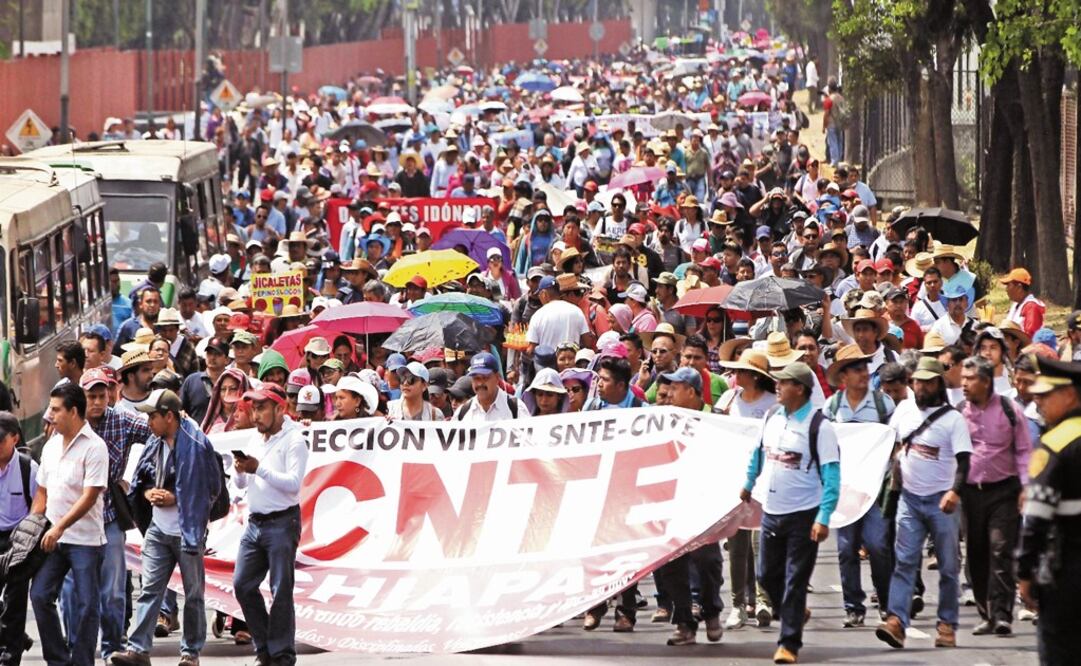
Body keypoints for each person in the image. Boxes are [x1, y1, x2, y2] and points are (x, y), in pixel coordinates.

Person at [111, 389, 222, 666]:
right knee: (150, 590)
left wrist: (176, 498)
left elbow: (211, 489)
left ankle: (191, 653)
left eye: (152, 416)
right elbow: (143, 478)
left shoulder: (197, 443)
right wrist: (148, 494)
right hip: (159, 530)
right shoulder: (154, 442)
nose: (148, 422)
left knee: (193, 594)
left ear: (169, 416)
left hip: (188, 531)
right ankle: (138, 650)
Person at [740, 362, 839, 665]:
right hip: (772, 511)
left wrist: (823, 517)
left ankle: (788, 644)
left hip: (803, 514)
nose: (777, 388)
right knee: (766, 575)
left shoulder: (819, 427)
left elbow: (832, 476)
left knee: (795, 579)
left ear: (800, 388)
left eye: (783, 383)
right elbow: (758, 454)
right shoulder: (772, 417)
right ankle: (795, 610)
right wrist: (748, 484)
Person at [877, 357, 972, 650]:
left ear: (938, 384)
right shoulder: (903, 411)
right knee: (904, 562)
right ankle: (896, 622)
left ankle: (946, 625)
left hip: (941, 501)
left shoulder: (953, 419)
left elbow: (964, 460)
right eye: (917, 381)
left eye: (928, 382)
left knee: (947, 566)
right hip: (909, 499)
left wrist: (954, 492)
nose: (921, 387)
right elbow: (892, 443)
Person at [76, 368, 152, 664]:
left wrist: (134, 476)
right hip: (76, 520)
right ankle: (78, 646)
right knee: (76, 593)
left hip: (108, 516)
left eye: (101, 395)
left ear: (110, 394)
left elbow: (156, 431)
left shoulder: (121, 419)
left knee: (114, 591)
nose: (97, 402)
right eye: (90, 396)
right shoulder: (71, 423)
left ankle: (111, 646)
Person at [30, 383, 109, 666]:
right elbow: (42, 491)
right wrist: (33, 524)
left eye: (55, 409)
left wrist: (60, 526)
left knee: (88, 604)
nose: (50, 415)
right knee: (39, 595)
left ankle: (83, 661)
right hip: (53, 537)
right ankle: (59, 661)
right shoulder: (50, 446)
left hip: (85, 541)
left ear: (73, 411)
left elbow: (90, 496)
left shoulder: (95, 447)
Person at [232, 384, 308, 666]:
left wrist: (257, 468)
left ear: (280, 408)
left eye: (262, 407)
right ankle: (265, 646)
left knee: (280, 590)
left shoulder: (294, 440)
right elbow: (239, 485)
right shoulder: (255, 438)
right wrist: (240, 472)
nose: (256, 413)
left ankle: (281, 655)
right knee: (242, 584)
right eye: (254, 407)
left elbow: (293, 484)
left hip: (282, 522)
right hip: (256, 522)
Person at [822, 345, 895, 629]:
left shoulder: (882, 404)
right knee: (846, 548)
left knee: (878, 545)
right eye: (856, 369)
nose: (863, 373)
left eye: (864, 367)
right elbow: (825, 445)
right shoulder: (831, 408)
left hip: (874, 488)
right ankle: (854, 607)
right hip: (845, 489)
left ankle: (887, 603)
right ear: (843, 376)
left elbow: (893, 441)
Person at [957, 356, 1031, 636]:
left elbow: (1024, 450)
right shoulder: (959, 412)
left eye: (970, 379)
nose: (964, 384)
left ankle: (1002, 615)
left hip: (1004, 491)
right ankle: (986, 613)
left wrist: (1025, 487)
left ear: (986, 382)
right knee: (976, 554)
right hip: (970, 494)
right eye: (962, 378)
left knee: (1001, 549)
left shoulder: (1010, 410)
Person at [1016, 356, 1081, 663]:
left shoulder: (1054, 444)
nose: (1037, 401)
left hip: (1067, 572)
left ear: (1069, 395)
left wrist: (1025, 572)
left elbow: (1037, 519)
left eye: (1045, 395)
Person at [653, 366, 725, 646]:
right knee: (671, 564)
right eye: (668, 387)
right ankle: (684, 622)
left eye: (676, 387)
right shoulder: (662, 420)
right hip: (672, 501)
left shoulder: (717, 419)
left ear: (692, 392)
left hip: (705, 502)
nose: (669, 393)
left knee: (707, 561)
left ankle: (711, 611)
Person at [0, 412, 35, 666]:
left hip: (19, 539)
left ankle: (11, 656)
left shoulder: (28, 468)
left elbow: (39, 508)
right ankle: (12, 636)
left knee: (15, 601)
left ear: (14, 438)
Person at [456, 353, 526, 421]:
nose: (480, 383)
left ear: (497, 377)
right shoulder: (462, 413)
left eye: (485, 377)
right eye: (476, 378)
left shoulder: (516, 408)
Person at [1000, 268, 1045, 338]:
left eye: (1009, 285)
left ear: (1019, 287)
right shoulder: (1016, 305)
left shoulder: (1031, 307)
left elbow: (1030, 337)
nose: (1006, 289)